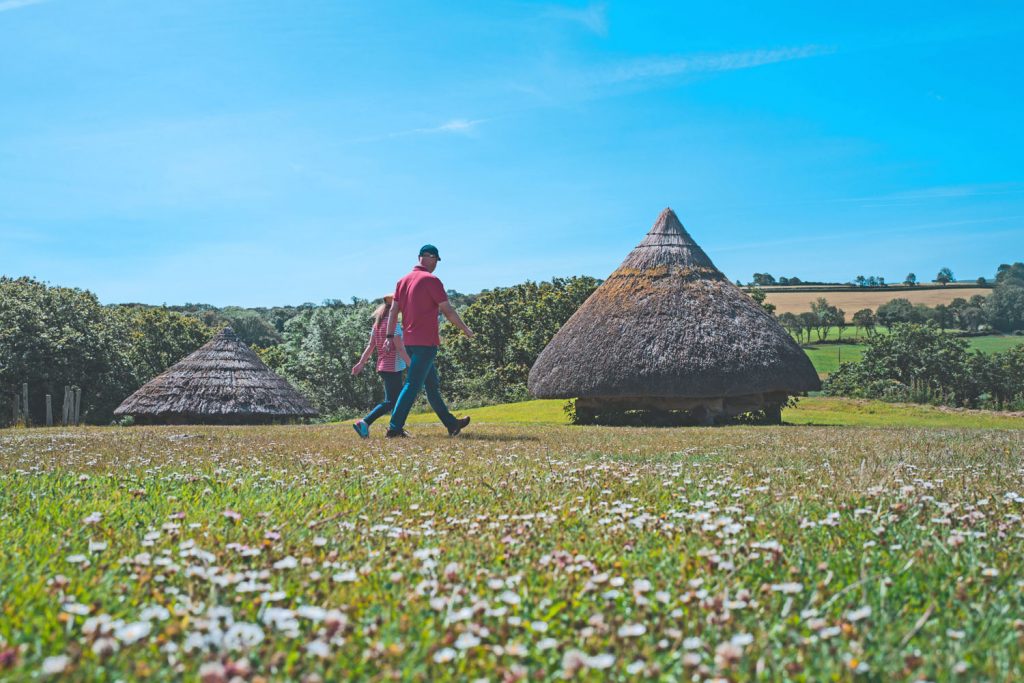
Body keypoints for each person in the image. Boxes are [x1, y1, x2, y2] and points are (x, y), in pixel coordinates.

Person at [382, 244, 474, 437]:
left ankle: (452, 424)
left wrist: (389, 336)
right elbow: (448, 310)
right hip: (426, 342)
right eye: (436, 261)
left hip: (411, 342)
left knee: (431, 385)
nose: (436, 265)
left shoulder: (402, 281)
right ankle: (394, 428)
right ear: (430, 258)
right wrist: (465, 328)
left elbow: (393, 310)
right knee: (412, 384)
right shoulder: (431, 281)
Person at [350, 294, 412, 438]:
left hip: (383, 366)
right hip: (393, 367)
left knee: (393, 401)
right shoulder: (394, 325)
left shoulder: (378, 324)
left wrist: (361, 363)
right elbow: (401, 349)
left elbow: (371, 345)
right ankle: (365, 422)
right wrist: (412, 365)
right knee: (391, 401)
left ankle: (395, 429)